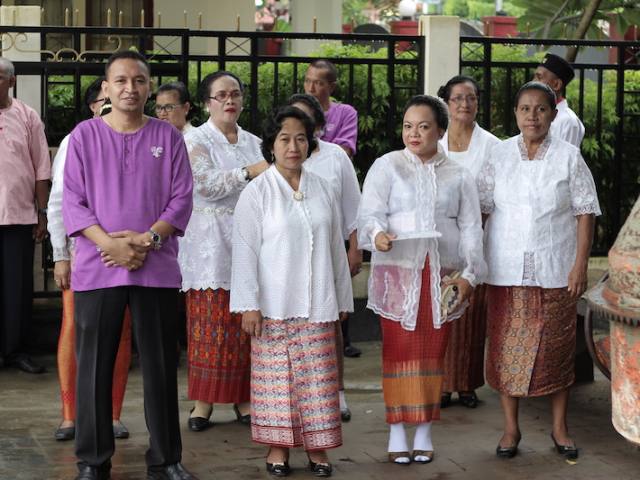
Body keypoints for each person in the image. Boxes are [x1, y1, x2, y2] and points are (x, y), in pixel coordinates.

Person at [62, 50, 197, 480]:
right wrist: (112, 246)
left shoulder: (169, 137)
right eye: (120, 81)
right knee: (95, 367)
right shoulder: (83, 136)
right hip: (97, 267)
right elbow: (73, 203)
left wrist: (147, 239)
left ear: (149, 86)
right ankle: (93, 461)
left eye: (138, 80)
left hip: (154, 266)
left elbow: (181, 198)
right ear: (106, 87)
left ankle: (166, 459)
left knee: (159, 365)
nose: (130, 88)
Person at [358, 95, 485, 465]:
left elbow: (472, 228)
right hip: (399, 274)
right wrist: (376, 236)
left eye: (424, 126)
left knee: (432, 353)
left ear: (440, 131)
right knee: (398, 352)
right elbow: (368, 216)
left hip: (443, 275)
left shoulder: (459, 174)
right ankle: (397, 430)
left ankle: (425, 431)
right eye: (408, 126)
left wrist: (471, 275)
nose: (414, 133)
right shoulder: (387, 166)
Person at [477, 81, 600, 460]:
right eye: (525, 109)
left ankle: (560, 427)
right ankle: (511, 430)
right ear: (515, 114)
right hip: (505, 269)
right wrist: (473, 265)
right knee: (504, 350)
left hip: (555, 269)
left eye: (541, 109)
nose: (533, 116)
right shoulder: (498, 154)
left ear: (552, 114)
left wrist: (579, 264)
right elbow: (481, 211)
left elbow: (585, 212)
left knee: (557, 350)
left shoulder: (568, 157)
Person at [230, 106, 353, 478]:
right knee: (277, 381)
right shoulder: (257, 192)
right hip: (272, 305)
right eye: (284, 138)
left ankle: (319, 449)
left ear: (311, 143)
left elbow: (335, 247)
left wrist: (342, 298)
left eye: (301, 138)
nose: (293, 146)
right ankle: (277, 448)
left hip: (316, 302)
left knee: (318, 379)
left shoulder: (323, 188)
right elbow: (245, 250)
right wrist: (249, 305)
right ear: (271, 145)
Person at [178, 71, 268, 432]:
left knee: (244, 322)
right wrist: (250, 172)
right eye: (221, 95)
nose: (229, 101)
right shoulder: (195, 139)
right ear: (206, 102)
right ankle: (203, 403)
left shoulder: (255, 141)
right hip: (210, 244)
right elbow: (206, 184)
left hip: (249, 240)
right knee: (209, 324)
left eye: (235, 94)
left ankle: (244, 399)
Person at [48, 78, 131, 442]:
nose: (109, 105)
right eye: (102, 100)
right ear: (94, 105)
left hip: (128, 256)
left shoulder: (141, 138)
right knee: (74, 329)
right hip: (84, 254)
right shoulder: (76, 140)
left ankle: (112, 416)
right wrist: (60, 255)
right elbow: (58, 202)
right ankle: (71, 415)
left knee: (122, 333)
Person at [286, 93, 362, 422]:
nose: (299, 132)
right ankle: (296, 397)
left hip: (328, 257)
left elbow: (353, 208)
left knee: (331, 326)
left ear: (319, 126)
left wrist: (354, 249)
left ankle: (338, 393)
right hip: (287, 260)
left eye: (306, 123)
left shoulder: (334, 158)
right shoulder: (278, 158)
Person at [437, 75, 500, 408]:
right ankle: (444, 384)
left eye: (471, 98)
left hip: (477, 236)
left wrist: (472, 236)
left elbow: (491, 197)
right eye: (458, 98)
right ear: (446, 102)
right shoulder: (435, 141)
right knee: (441, 309)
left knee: (471, 312)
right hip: (440, 239)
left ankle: (467, 384)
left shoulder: (491, 145)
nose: (464, 104)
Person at [0, 57, 50, 374]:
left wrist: (42, 215)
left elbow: (41, 169)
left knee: (17, 289)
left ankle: (16, 350)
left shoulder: (27, 116)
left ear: (11, 81)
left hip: (18, 217)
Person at [304, 59, 358, 158]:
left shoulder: (346, 113)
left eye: (318, 83)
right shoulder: (295, 111)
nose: (310, 88)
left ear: (332, 87)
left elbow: (344, 153)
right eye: (307, 81)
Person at [533, 53, 585, 147]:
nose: (533, 82)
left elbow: (565, 160)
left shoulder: (568, 121)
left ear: (556, 85)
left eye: (539, 77)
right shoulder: (534, 115)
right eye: (534, 77)